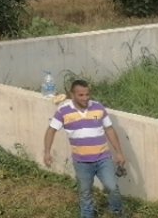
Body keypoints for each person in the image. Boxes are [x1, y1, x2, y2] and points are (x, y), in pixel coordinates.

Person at [43, 79, 128, 218]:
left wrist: (119, 153)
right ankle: (87, 215)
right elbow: (51, 130)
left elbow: (109, 129)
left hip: (103, 158)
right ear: (72, 94)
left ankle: (117, 212)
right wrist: (47, 152)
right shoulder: (63, 111)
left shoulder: (98, 108)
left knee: (112, 187)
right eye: (81, 95)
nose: (85, 98)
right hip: (82, 162)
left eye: (88, 94)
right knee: (85, 192)